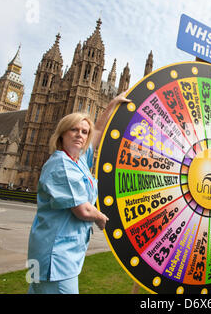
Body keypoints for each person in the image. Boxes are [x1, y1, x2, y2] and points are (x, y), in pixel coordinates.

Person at [27, 93, 130, 294]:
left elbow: (98, 130)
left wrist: (112, 104)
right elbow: (82, 210)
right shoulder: (61, 165)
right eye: (74, 130)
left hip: (43, 252)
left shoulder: (79, 159)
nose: (80, 135)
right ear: (62, 134)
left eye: (84, 131)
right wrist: (101, 218)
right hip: (56, 258)